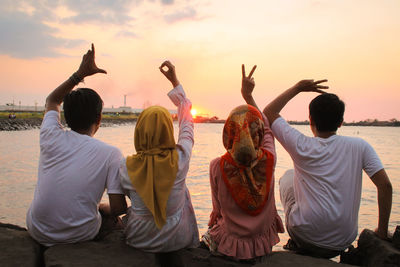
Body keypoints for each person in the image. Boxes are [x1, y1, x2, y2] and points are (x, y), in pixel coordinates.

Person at [263, 79, 393, 258]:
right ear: (341, 122)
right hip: (342, 241)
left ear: (310, 120)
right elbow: (385, 186)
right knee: (293, 176)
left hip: (305, 237)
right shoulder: (360, 146)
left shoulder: (301, 145)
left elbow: (269, 112)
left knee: (287, 177)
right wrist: (382, 232)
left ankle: (296, 240)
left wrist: (298, 88)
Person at [26, 44, 127, 246]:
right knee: (116, 222)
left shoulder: (51, 134)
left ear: (66, 117)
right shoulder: (111, 154)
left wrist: (80, 74)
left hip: (37, 228)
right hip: (79, 234)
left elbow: (52, 99)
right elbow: (118, 208)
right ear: (99, 118)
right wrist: (100, 207)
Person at [202, 65, 284, 262]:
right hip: (261, 239)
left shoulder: (217, 165)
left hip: (232, 240)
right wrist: (248, 96)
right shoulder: (269, 159)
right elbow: (267, 128)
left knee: (207, 236)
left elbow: (217, 209)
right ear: (259, 133)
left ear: (228, 132)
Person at [119, 61, 199, 252]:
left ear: (139, 131)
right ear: (168, 130)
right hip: (178, 238)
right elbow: (187, 124)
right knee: (183, 192)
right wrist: (174, 81)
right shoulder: (180, 158)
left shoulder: (126, 166)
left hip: (139, 238)